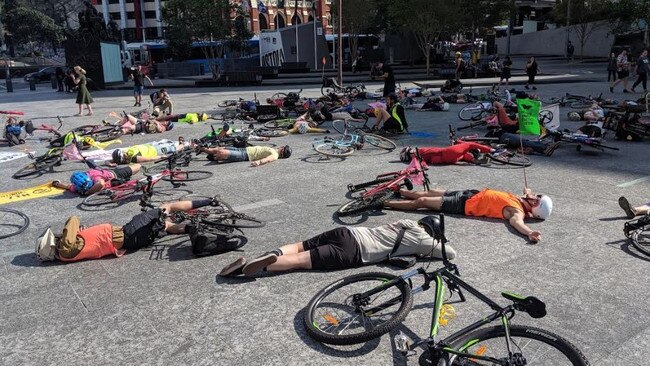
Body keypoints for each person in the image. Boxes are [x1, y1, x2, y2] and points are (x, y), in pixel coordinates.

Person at [218, 216, 457, 277]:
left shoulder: (406, 223)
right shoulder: (425, 240)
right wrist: (439, 242)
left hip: (347, 232)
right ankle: (246, 268)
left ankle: (272, 253)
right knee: (302, 261)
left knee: (300, 246)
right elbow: (450, 255)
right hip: (356, 251)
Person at [35, 198, 219, 263]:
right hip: (129, 232)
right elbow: (73, 219)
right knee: (167, 207)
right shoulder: (65, 249)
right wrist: (72, 232)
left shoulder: (68, 251)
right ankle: (208, 201)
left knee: (164, 226)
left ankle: (189, 228)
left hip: (131, 241)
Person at [384, 187, 553, 243]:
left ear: (534, 210)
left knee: (421, 202)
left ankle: (385, 203)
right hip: (471, 193)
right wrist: (528, 191)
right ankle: (400, 191)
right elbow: (528, 190)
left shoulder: (517, 211)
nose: (534, 196)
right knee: (430, 191)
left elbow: (517, 223)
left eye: (537, 200)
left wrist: (529, 232)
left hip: (463, 205)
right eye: (538, 196)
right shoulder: (522, 199)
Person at [51, 164, 142, 196]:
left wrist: (88, 192)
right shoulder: (78, 187)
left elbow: (100, 183)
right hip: (113, 182)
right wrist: (57, 184)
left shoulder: (94, 176)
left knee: (138, 167)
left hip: (115, 174)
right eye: (85, 188)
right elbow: (67, 186)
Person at [106, 139, 189, 165]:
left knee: (171, 147)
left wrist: (109, 163)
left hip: (152, 147)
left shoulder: (128, 154)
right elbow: (149, 159)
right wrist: (160, 157)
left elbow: (109, 160)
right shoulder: (133, 158)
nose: (125, 153)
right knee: (173, 149)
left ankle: (183, 145)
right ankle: (184, 144)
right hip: (156, 150)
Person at [399, 142, 495, 165]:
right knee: (469, 144)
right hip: (447, 152)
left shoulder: (418, 160)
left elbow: (424, 164)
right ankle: (490, 150)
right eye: (411, 151)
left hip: (448, 159)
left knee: (462, 155)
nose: (413, 150)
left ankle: (476, 160)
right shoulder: (417, 153)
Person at [198, 145, 292, 167]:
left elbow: (267, 159)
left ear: (282, 150)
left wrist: (258, 162)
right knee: (218, 149)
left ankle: (215, 157)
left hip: (245, 155)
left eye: (283, 147)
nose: (281, 146)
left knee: (222, 153)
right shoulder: (274, 149)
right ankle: (201, 149)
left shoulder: (275, 155)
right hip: (244, 149)